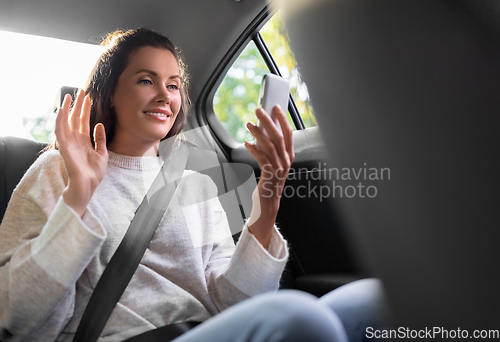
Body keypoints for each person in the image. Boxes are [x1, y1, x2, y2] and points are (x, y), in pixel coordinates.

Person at [0, 28, 390, 342]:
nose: (163, 96)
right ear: (110, 93)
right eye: (145, 80)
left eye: (172, 85)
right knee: (298, 315)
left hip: (207, 330)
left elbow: (234, 304)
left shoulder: (193, 186)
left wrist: (269, 195)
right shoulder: (59, 169)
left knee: (377, 300)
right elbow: (15, 317)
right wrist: (77, 199)